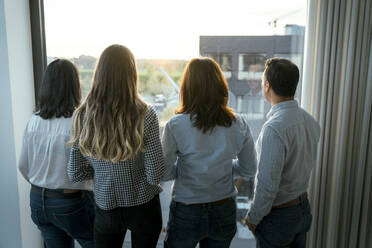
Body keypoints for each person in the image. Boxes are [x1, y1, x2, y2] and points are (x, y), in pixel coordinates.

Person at [67, 44, 164, 248]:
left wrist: (103, 173)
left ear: (99, 73)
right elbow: (155, 175)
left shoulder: (83, 115)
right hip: (144, 207)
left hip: (106, 207)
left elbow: (75, 172)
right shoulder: (146, 114)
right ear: (132, 74)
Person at [162, 57, 257, 248]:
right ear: (220, 86)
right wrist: (222, 168)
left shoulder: (176, 125)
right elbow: (249, 170)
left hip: (187, 209)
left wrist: (186, 170)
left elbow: (163, 172)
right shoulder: (238, 123)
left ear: (187, 87)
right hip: (223, 209)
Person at [244, 58, 321, 248]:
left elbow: (268, 185)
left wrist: (253, 217)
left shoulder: (274, 128)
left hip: (279, 217)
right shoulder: (310, 120)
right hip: (302, 209)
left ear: (267, 86)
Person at [18, 59, 95, 247]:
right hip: (70, 201)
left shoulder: (33, 121)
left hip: (37, 201)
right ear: (74, 86)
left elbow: (23, 166)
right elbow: (94, 165)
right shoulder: (80, 121)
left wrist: (46, 184)